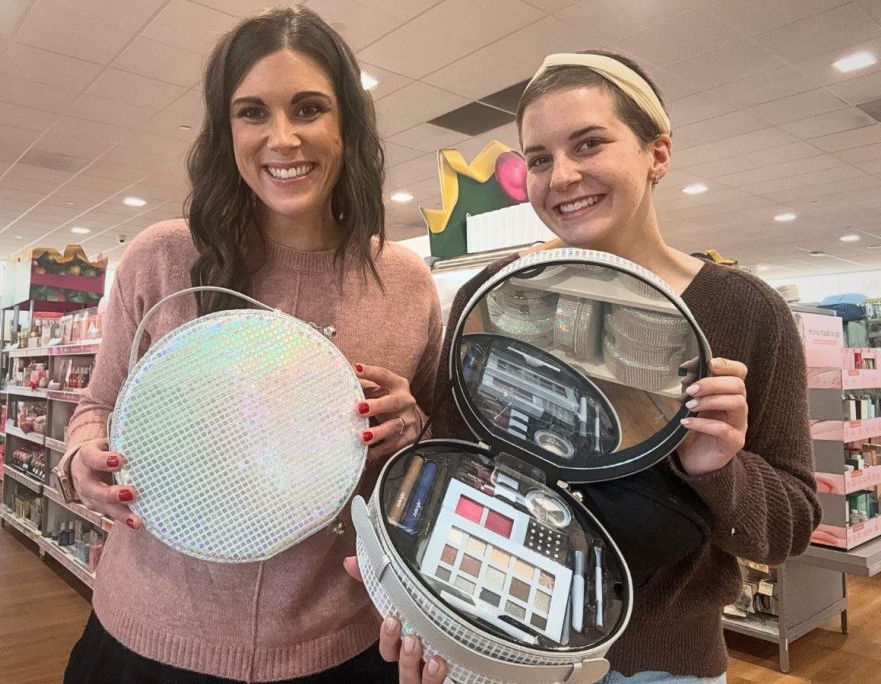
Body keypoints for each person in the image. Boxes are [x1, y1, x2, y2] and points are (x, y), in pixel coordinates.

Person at [350, 50, 820, 684]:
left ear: (658, 154)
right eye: (539, 159)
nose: (561, 175)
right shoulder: (492, 296)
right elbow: (457, 459)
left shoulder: (742, 310)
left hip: (662, 664)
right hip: (500, 647)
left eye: (589, 144)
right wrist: (413, 434)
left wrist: (719, 469)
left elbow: (788, 528)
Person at [52, 7, 443, 683]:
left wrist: (413, 427)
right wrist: (82, 457)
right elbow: (98, 404)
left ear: (346, 123)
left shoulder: (403, 282)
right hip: (151, 637)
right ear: (225, 128)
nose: (283, 138)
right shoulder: (163, 259)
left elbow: (438, 463)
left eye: (309, 108)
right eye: (253, 112)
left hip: (338, 644)